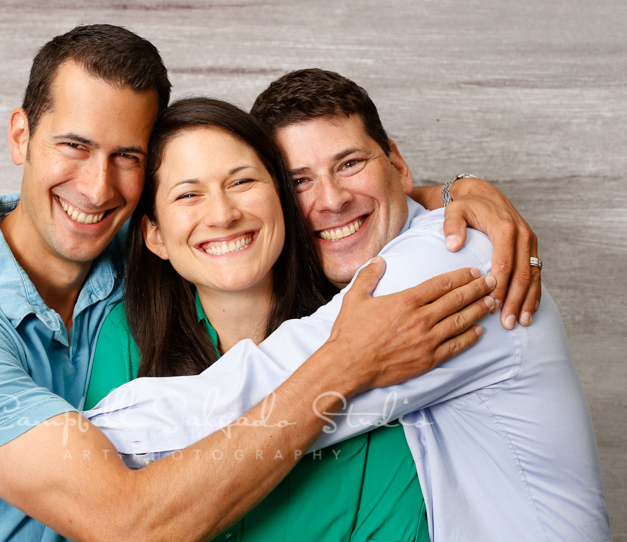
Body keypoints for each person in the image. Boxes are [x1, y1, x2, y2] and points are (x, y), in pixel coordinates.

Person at [0, 24, 535, 541]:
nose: (97, 187)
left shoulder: (133, 248)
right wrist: (348, 361)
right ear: (20, 135)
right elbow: (127, 522)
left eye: (127, 156)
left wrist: (456, 194)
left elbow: (313, 202)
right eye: (73, 146)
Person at [83, 69, 612, 541]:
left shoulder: (459, 258)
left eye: (351, 163)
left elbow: (252, 399)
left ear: (397, 164)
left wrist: (35, 455)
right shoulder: (125, 326)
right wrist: (450, 188)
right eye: (299, 181)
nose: (331, 199)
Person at [84, 97, 429, 541]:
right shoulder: (121, 338)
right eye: (188, 194)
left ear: (282, 197)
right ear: (155, 235)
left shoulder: (373, 332)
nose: (224, 214)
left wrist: (457, 191)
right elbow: (101, 513)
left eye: (243, 182)